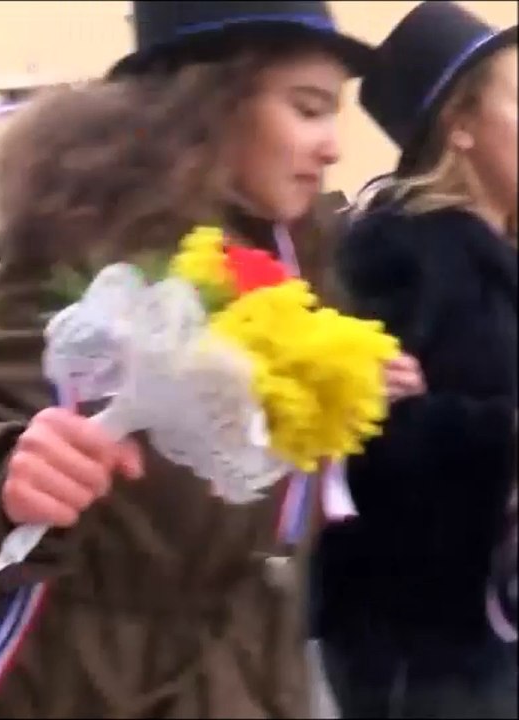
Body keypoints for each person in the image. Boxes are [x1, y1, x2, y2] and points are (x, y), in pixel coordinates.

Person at [0, 2, 406, 716]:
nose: (333, 146)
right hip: (82, 686)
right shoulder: (98, 245)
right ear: (210, 102)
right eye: (308, 108)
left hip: (249, 683)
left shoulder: (299, 262)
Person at [312, 3, 518, 717]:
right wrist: (499, 436)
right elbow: (367, 439)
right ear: (460, 126)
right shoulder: (398, 253)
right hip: (424, 645)